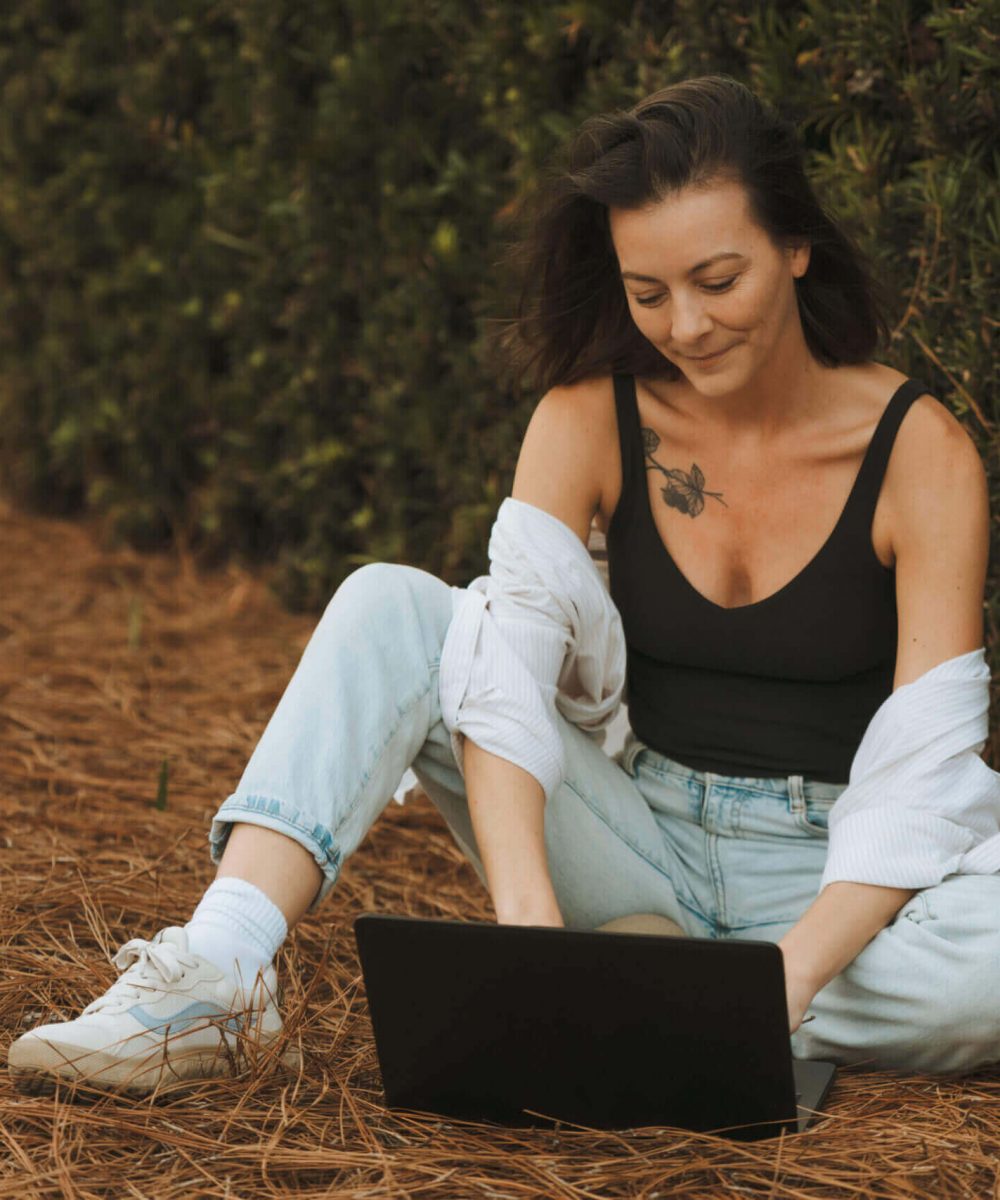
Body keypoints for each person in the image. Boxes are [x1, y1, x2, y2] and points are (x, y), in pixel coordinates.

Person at [9, 74, 998, 1096]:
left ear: (796, 247)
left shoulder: (917, 454)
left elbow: (923, 771)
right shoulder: (587, 419)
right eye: (648, 293)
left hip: (830, 864)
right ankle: (217, 977)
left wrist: (790, 974)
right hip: (637, 847)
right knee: (392, 605)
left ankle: (675, 990)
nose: (686, 326)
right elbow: (503, 672)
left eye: (717, 279)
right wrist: (531, 944)